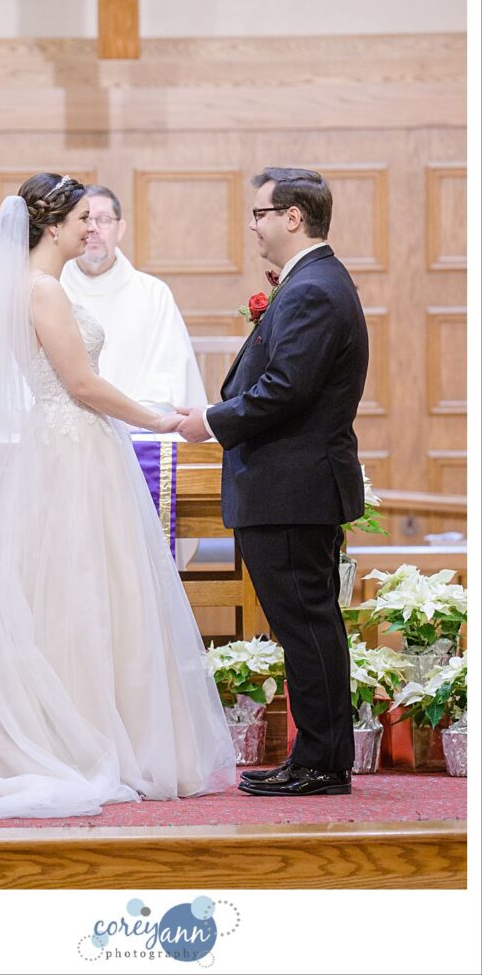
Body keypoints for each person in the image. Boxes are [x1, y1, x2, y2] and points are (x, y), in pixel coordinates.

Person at [0, 174, 236, 820]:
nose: (93, 230)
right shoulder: (43, 290)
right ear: (51, 225)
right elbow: (82, 385)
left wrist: (145, 409)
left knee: (74, 587)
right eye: (83, 218)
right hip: (74, 449)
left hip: (67, 447)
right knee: (81, 586)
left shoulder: (21, 288)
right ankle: (79, 738)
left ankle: (94, 727)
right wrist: (162, 421)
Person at [177, 167, 369, 798]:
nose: (253, 225)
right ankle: (319, 757)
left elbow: (286, 389)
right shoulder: (313, 282)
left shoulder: (313, 288)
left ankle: (320, 764)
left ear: (293, 217)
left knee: (307, 627)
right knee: (308, 625)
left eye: (260, 213)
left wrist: (210, 421)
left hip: (292, 485)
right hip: (294, 484)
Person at [60, 185, 207, 413]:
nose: (94, 229)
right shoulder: (54, 289)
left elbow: (170, 374)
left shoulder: (153, 293)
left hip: (140, 431)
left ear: (120, 229)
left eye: (104, 220)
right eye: (86, 219)